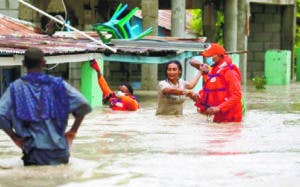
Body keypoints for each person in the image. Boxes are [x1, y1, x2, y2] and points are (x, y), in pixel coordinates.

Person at [0, 47, 92, 166]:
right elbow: (83, 105)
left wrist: (14, 137)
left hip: (33, 153)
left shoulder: (15, 88)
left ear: (23, 64)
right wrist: (72, 132)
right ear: (44, 63)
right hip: (60, 151)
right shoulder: (59, 85)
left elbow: (1, 115)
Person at [187, 43, 243, 123]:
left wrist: (218, 108)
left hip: (232, 118)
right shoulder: (212, 72)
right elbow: (192, 62)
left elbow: (237, 95)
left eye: (212, 55)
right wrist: (195, 97)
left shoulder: (229, 72)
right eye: (208, 56)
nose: (210, 59)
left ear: (220, 56)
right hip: (219, 116)